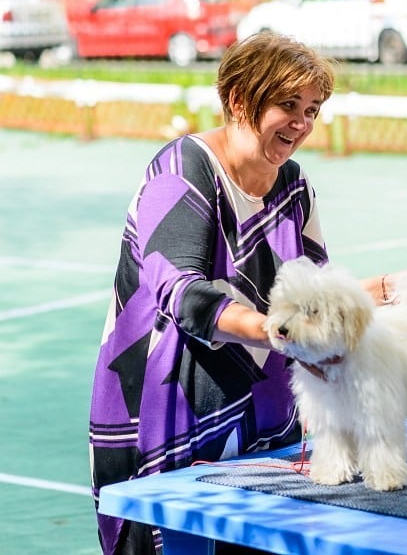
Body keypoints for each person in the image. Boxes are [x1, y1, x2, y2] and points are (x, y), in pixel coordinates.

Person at [88, 32, 391, 555]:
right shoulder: (182, 172)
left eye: (313, 109)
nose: (302, 123)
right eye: (288, 105)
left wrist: (379, 294)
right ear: (238, 99)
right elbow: (181, 293)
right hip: (171, 412)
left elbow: (315, 292)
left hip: (266, 418)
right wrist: (275, 331)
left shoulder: (294, 185)